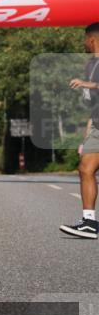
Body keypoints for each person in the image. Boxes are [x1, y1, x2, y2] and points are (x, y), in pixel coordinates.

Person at [61, 22, 99, 239]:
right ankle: (89, 222)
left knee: (87, 169)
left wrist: (88, 84)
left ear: (92, 39)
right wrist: (86, 136)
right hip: (97, 124)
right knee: (85, 168)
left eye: (85, 39)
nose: (83, 43)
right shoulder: (90, 65)